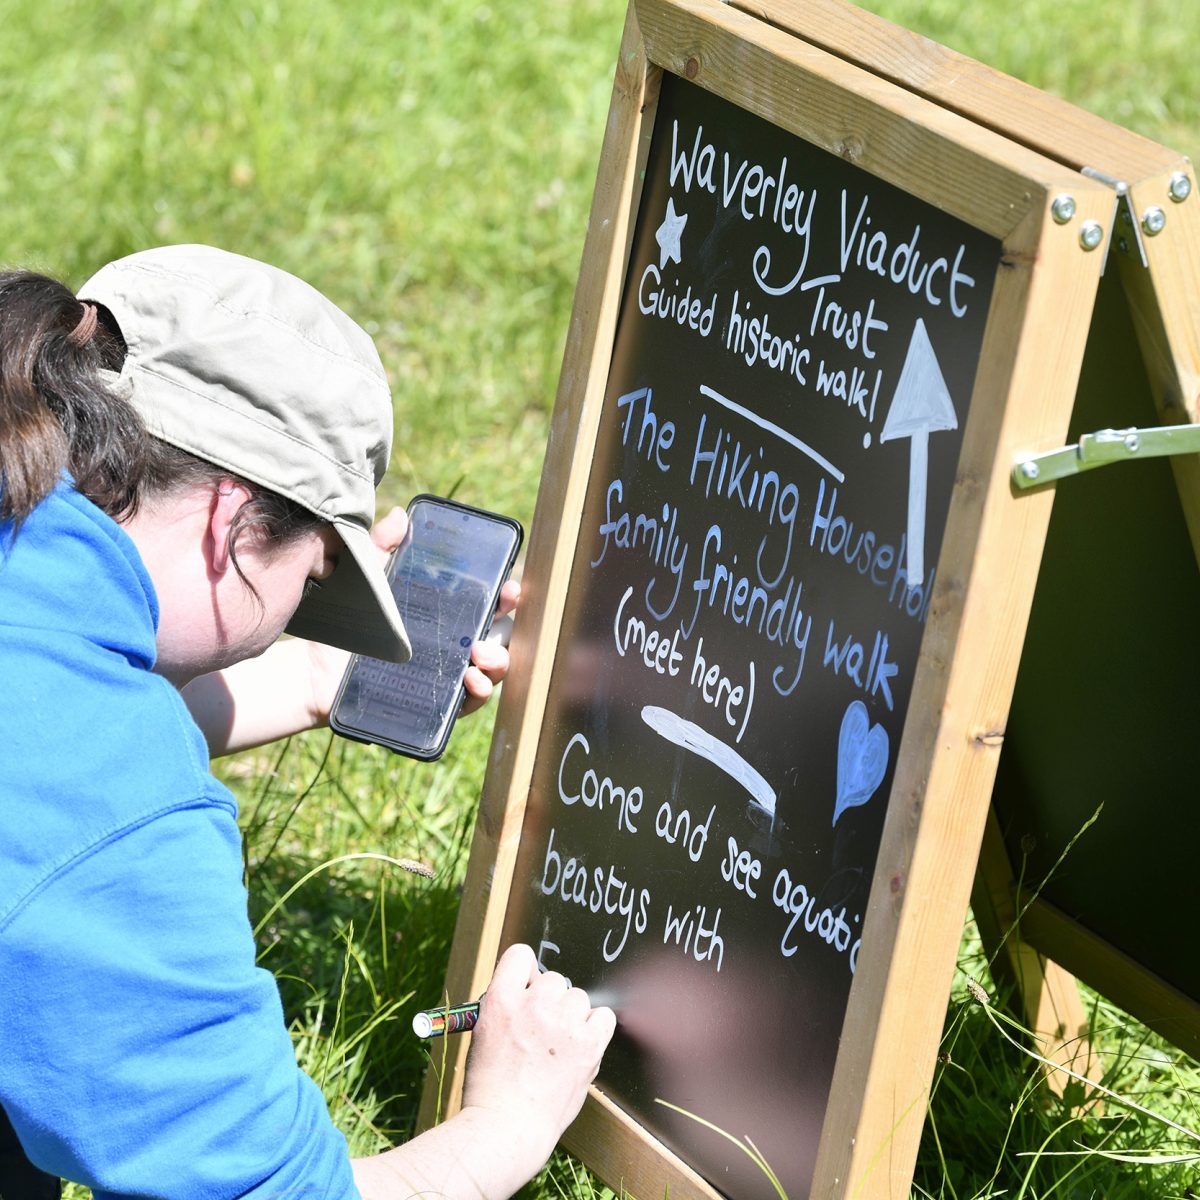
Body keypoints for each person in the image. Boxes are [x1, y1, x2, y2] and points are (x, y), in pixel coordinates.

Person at [0, 244, 616, 1199]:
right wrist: (511, 1119)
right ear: (229, 523)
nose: (303, 603)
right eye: (318, 572)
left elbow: (57, 708)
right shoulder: (117, 817)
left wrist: (327, 674)